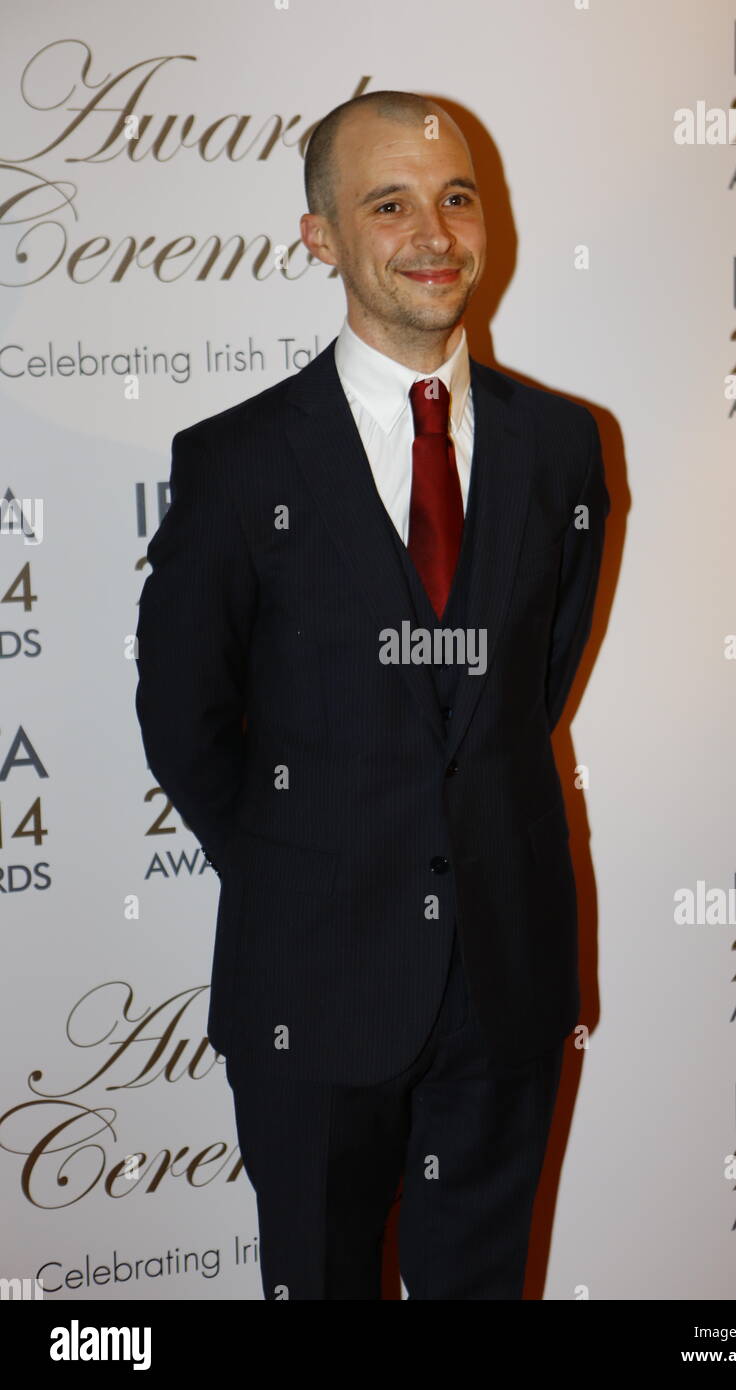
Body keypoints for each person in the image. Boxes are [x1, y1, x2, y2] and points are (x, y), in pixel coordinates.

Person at [134, 89, 609, 1300]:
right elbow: (184, 719)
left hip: (505, 970)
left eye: (457, 199)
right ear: (319, 237)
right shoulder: (237, 461)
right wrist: (305, 863)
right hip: (312, 980)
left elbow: (525, 687)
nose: (433, 233)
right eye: (387, 203)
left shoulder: (561, 444)